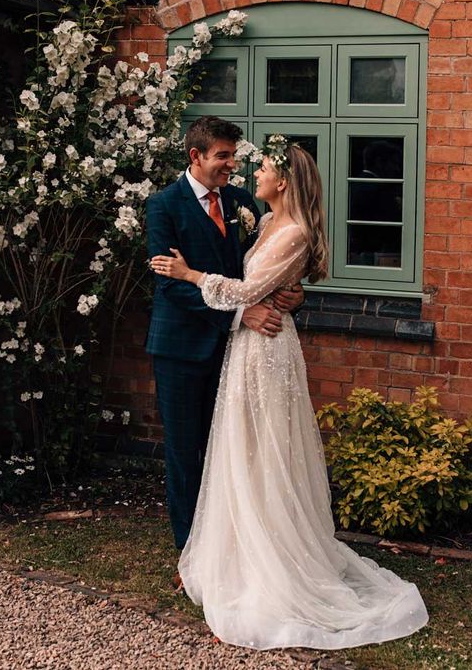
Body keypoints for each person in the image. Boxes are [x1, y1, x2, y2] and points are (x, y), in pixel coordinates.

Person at [150, 136, 428, 649]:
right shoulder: (257, 218)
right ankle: (215, 553)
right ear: (197, 158)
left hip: (264, 353)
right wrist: (272, 295)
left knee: (265, 452)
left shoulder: (287, 228)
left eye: (262, 167)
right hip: (236, 346)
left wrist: (191, 272)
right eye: (230, 159)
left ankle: (272, 560)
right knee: (233, 451)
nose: (247, 171)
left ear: (284, 182)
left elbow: (242, 289)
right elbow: (251, 281)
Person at [145, 117, 303, 558]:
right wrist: (240, 315)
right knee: (185, 453)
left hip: (237, 352)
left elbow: (261, 270)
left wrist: (294, 294)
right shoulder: (163, 206)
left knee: (232, 448)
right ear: (195, 156)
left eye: (234, 156)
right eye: (223, 156)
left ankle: (232, 546)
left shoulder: (240, 202)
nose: (232, 165)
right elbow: (171, 286)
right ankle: (191, 552)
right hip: (181, 348)